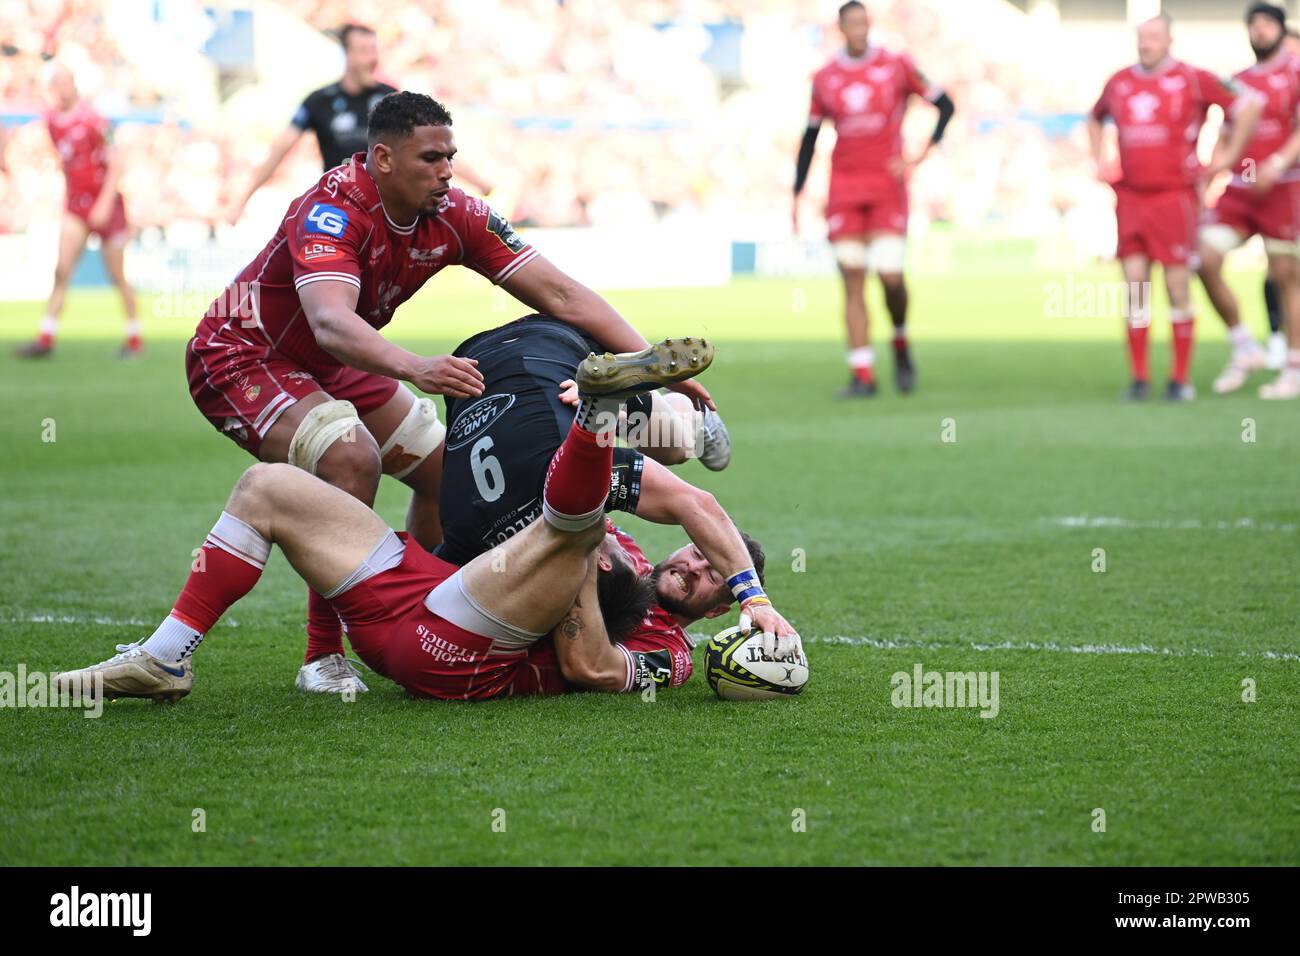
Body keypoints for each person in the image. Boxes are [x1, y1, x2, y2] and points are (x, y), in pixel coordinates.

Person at [188, 91, 714, 695]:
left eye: (450, 157)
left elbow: (563, 295)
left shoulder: (458, 213)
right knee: (350, 457)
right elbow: (331, 322)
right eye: (430, 158)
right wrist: (416, 367)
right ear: (382, 159)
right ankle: (323, 655)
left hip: (333, 362)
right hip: (244, 355)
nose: (446, 172)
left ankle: (441, 603)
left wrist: (652, 365)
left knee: (447, 472)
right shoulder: (330, 209)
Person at [54, 341, 799, 702]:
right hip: (421, 596)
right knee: (269, 486)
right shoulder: (642, 546)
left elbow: (591, 669)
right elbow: (697, 507)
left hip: (457, 658)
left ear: (708, 615)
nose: (692, 568)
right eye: (700, 559)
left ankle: (605, 417)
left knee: (575, 530)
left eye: (706, 583)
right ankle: (168, 656)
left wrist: (583, 569)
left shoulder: (668, 651)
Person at [1088, 14, 1262, 401]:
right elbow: (1094, 117)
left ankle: (1180, 378)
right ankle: (1138, 377)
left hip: (1175, 197)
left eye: (1153, 37)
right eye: (1141, 38)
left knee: (1176, 283)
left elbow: (1248, 104)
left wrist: (1226, 158)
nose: (1145, 44)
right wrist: (1099, 158)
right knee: (1135, 285)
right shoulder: (1119, 82)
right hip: (1131, 196)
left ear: (1169, 40)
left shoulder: (1193, 78)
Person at [792, 0, 954, 398]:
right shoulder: (826, 78)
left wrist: (918, 155)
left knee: (890, 276)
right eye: (852, 24)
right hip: (845, 189)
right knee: (851, 278)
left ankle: (899, 341)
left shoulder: (897, 65)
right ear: (841, 28)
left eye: (864, 23)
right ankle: (862, 375)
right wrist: (797, 193)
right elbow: (811, 139)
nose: (859, 30)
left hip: (886, 189)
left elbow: (945, 105)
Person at [223, 23, 490, 225]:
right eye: (364, 51)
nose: (372, 59)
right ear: (346, 55)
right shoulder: (319, 101)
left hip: (386, 205)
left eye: (374, 51)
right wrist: (242, 200)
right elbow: (279, 151)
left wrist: (479, 181)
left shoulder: (391, 97)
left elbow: (429, 143)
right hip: (340, 205)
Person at [1198, 3, 1300, 400]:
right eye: (1253, 25)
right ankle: (1244, 346)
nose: (1259, 31)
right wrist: (1213, 168)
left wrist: (1277, 162)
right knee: (1202, 257)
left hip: (1284, 185)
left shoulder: (1295, 72)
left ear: (1279, 29)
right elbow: (1225, 135)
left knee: (1284, 275)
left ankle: (1293, 367)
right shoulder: (1236, 81)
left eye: (1266, 24)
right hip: (1242, 186)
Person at [15, 63, 140, 360]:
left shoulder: (94, 120)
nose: (64, 87)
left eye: (68, 81)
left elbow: (116, 163)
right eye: (59, 82)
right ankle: (45, 337)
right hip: (76, 206)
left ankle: (134, 337)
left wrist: (104, 203)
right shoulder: (52, 123)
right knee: (61, 270)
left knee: (116, 274)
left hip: (106, 206)